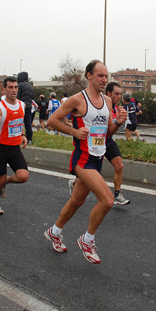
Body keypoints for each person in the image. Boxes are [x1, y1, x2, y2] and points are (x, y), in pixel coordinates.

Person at [44, 60, 127, 264]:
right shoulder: (76, 100)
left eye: (106, 76)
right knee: (107, 200)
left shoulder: (108, 101)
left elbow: (107, 133)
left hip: (98, 156)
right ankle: (87, 240)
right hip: (82, 158)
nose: (104, 79)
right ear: (89, 76)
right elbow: (52, 120)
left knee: (77, 201)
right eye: (100, 75)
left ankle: (55, 232)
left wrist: (117, 122)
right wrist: (74, 131)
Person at [68, 81, 130, 205]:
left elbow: (109, 130)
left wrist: (118, 122)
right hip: (90, 144)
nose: (119, 97)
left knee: (119, 165)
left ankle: (117, 194)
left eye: (120, 94)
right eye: (116, 94)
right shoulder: (87, 101)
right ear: (108, 93)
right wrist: (75, 131)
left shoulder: (113, 105)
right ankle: (75, 183)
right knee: (82, 193)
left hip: (106, 140)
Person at [0, 77, 29, 215]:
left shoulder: (22, 105)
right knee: (0, 179)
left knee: (23, 176)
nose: (14, 90)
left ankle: (5, 182)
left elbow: (19, 122)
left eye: (15, 87)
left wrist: (22, 135)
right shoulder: (0, 108)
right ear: (4, 90)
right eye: (10, 87)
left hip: (15, 147)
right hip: (0, 148)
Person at [17, 71, 34, 145]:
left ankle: (19, 136)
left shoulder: (19, 85)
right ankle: (29, 139)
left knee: (18, 122)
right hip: (29, 106)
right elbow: (32, 95)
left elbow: (17, 96)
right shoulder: (30, 86)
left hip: (21, 105)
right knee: (28, 123)